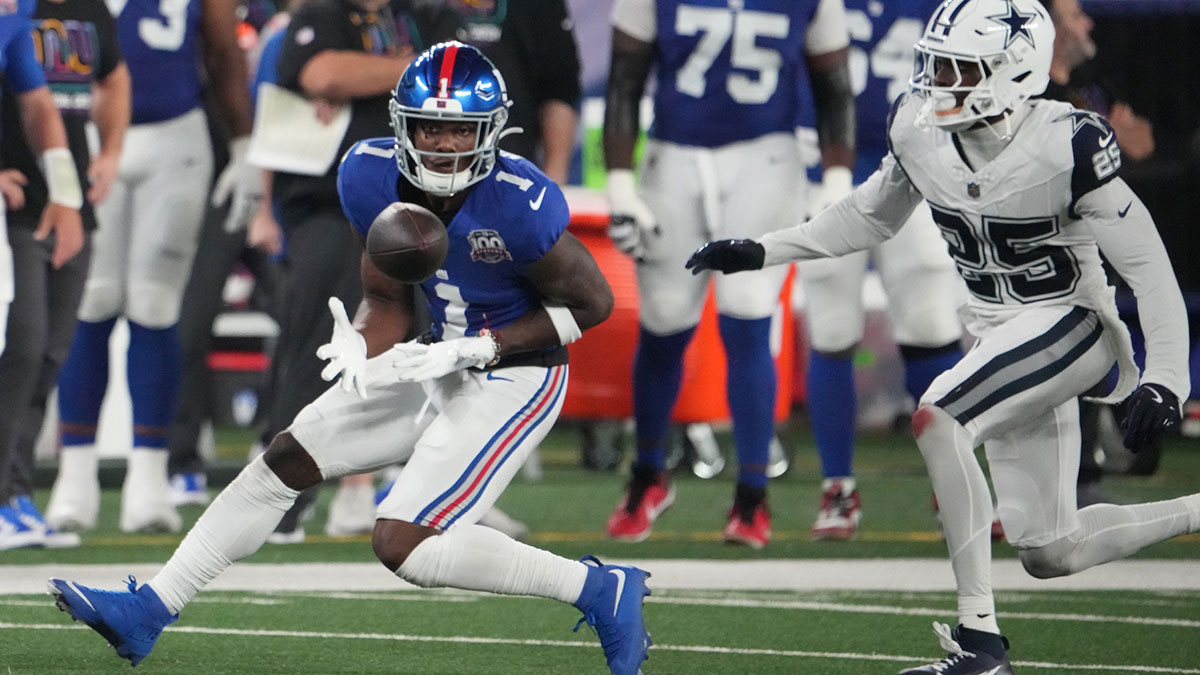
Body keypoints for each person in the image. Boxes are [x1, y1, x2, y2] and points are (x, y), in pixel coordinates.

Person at [49, 42, 651, 675]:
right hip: (432, 359)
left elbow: (592, 304)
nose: (444, 144)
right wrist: (363, 341)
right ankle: (149, 609)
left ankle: (598, 589)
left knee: (404, 542)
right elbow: (385, 295)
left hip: (516, 374)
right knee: (282, 459)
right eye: (430, 127)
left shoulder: (519, 201)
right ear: (401, 125)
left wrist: (487, 345)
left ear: (492, 131)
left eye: (460, 129)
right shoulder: (368, 174)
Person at [687, 1, 1199, 672]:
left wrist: (1167, 376)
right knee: (1051, 549)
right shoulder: (920, 130)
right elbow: (868, 217)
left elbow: (1148, 267)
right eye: (938, 65)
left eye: (959, 69)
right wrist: (763, 249)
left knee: (940, 414)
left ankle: (980, 644)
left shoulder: (1067, 141)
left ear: (1012, 71)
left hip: (1073, 322)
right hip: (1000, 336)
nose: (939, 82)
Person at [601, 0, 857, 549]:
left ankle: (752, 494)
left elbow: (834, 84)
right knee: (664, 320)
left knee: (747, 313)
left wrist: (837, 177)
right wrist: (619, 184)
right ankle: (648, 474)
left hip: (767, 157)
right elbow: (625, 79)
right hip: (673, 153)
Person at [44, 0, 257, 534]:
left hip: (175, 139)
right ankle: (74, 479)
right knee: (92, 299)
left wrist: (243, 141)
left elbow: (223, 46)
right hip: (87, 136)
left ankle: (149, 476)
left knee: (156, 303)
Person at [258, 0, 462, 542]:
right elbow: (320, 73)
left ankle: (400, 491)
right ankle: (282, 499)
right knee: (320, 348)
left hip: (425, 207)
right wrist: (411, 68)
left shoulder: (428, 14)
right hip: (330, 205)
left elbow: (457, 81)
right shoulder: (321, 13)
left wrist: (360, 77)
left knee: (428, 349)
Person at [802, 0, 965, 540]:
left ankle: (954, 482)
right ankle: (838, 486)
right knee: (831, 329)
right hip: (826, 164)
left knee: (931, 327)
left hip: (918, 163)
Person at [1040, 0, 1161, 506]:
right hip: (1039, 250)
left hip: (1091, 241)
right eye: (1075, 14)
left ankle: (1084, 470)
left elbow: (1142, 142)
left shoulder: (1088, 87)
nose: (1087, 21)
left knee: (1094, 353)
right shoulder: (1028, 93)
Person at [0, 0, 87, 550]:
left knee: (27, 346)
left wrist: (65, 193)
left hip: (23, 201)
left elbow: (36, 101)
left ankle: (10, 496)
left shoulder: (17, 11)